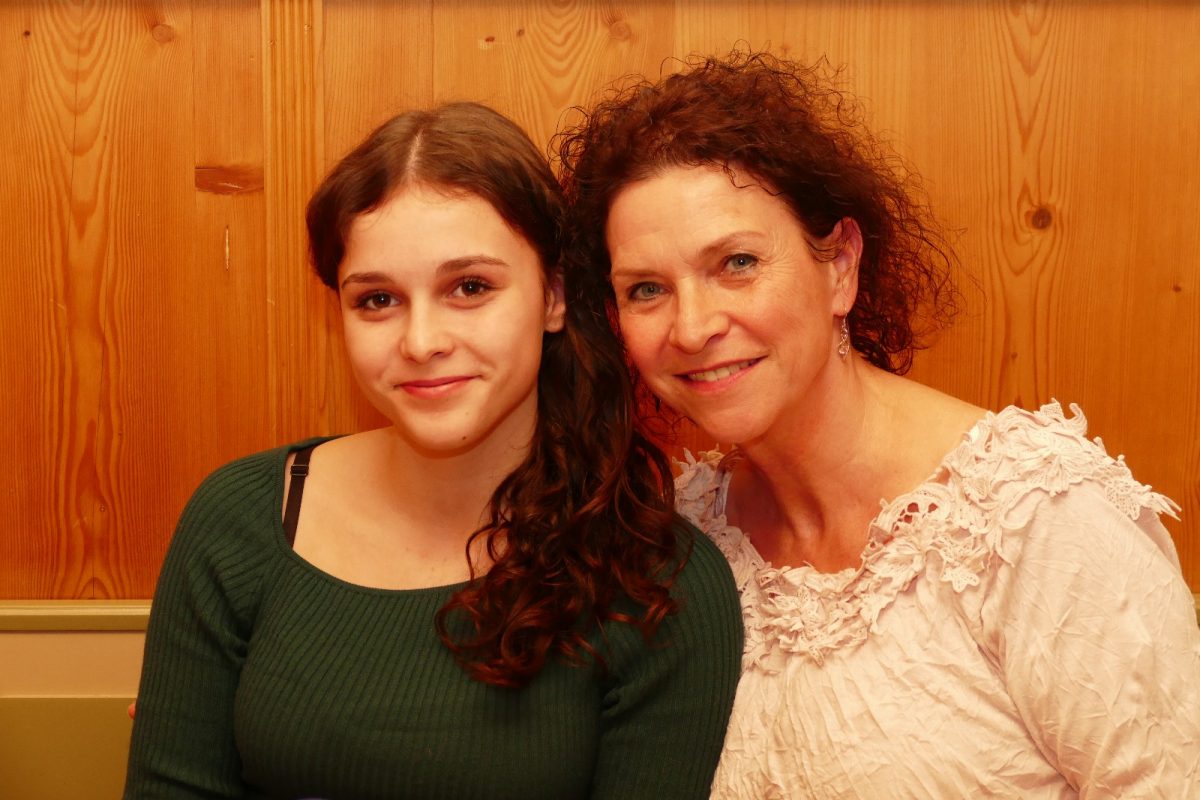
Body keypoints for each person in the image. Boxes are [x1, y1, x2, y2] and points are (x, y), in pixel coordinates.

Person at [556, 52, 1200, 797]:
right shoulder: (677, 540)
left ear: (840, 266)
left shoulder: (1033, 522)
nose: (693, 326)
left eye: (737, 263)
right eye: (646, 289)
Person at [124, 102, 742, 799]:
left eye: (470, 288)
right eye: (377, 300)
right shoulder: (239, 519)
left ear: (554, 297)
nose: (421, 342)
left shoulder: (661, 584)